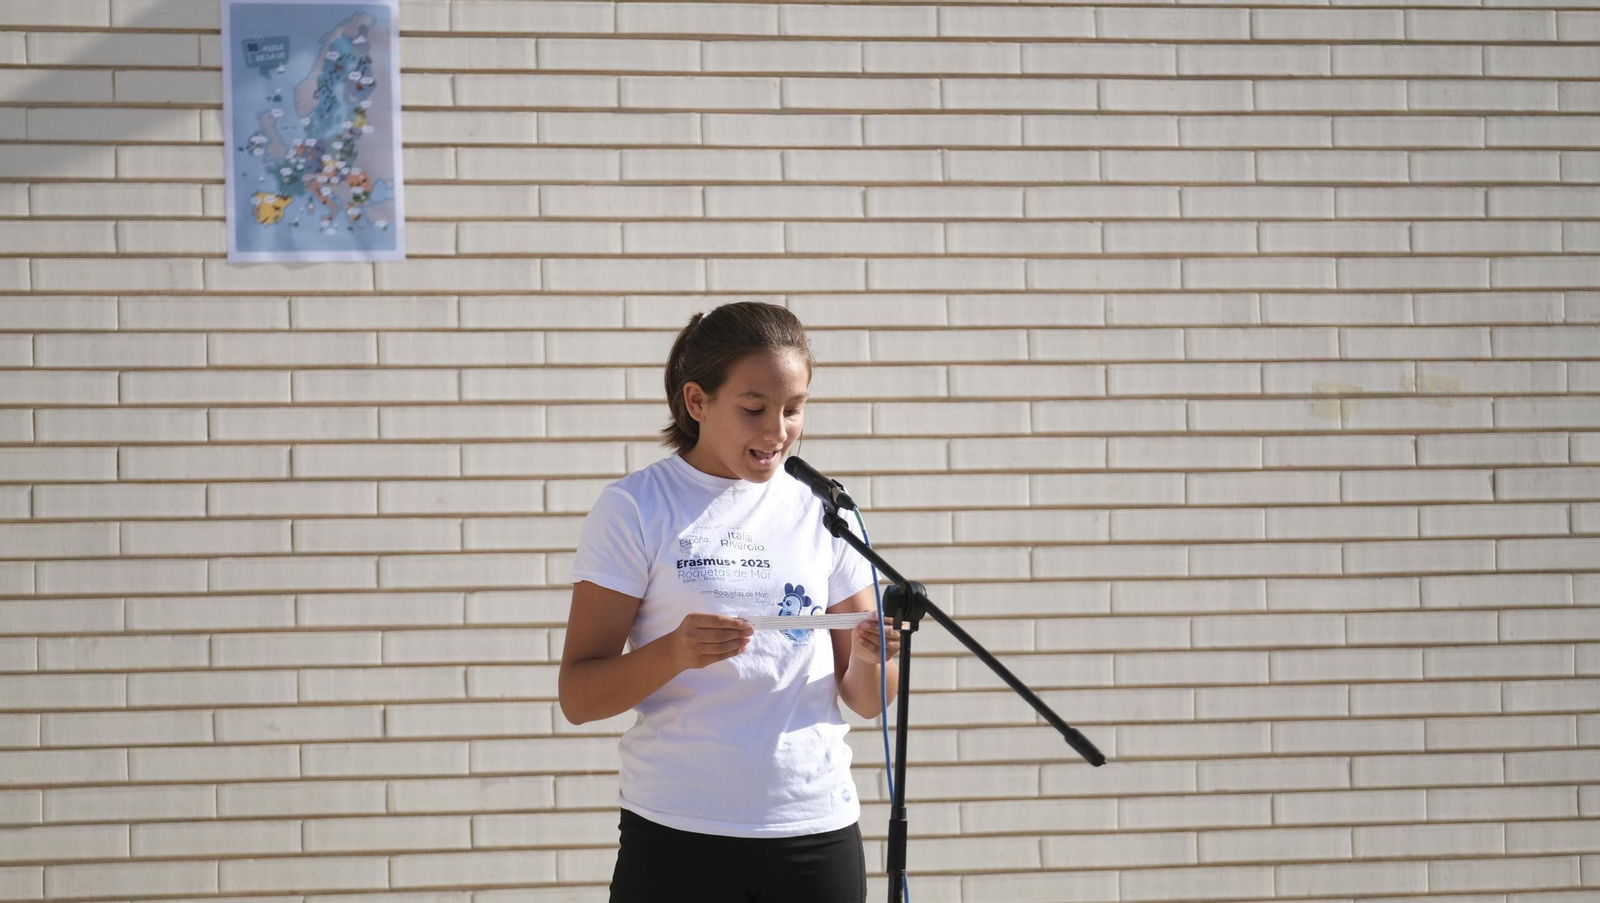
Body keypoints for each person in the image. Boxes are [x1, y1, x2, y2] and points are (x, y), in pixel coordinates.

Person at [559, 300, 902, 902]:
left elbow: (866, 700)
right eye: (753, 409)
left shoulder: (829, 509)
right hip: (679, 832)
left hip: (814, 827)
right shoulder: (636, 507)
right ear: (698, 402)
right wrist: (673, 652)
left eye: (794, 410)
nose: (777, 431)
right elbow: (580, 698)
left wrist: (876, 658)